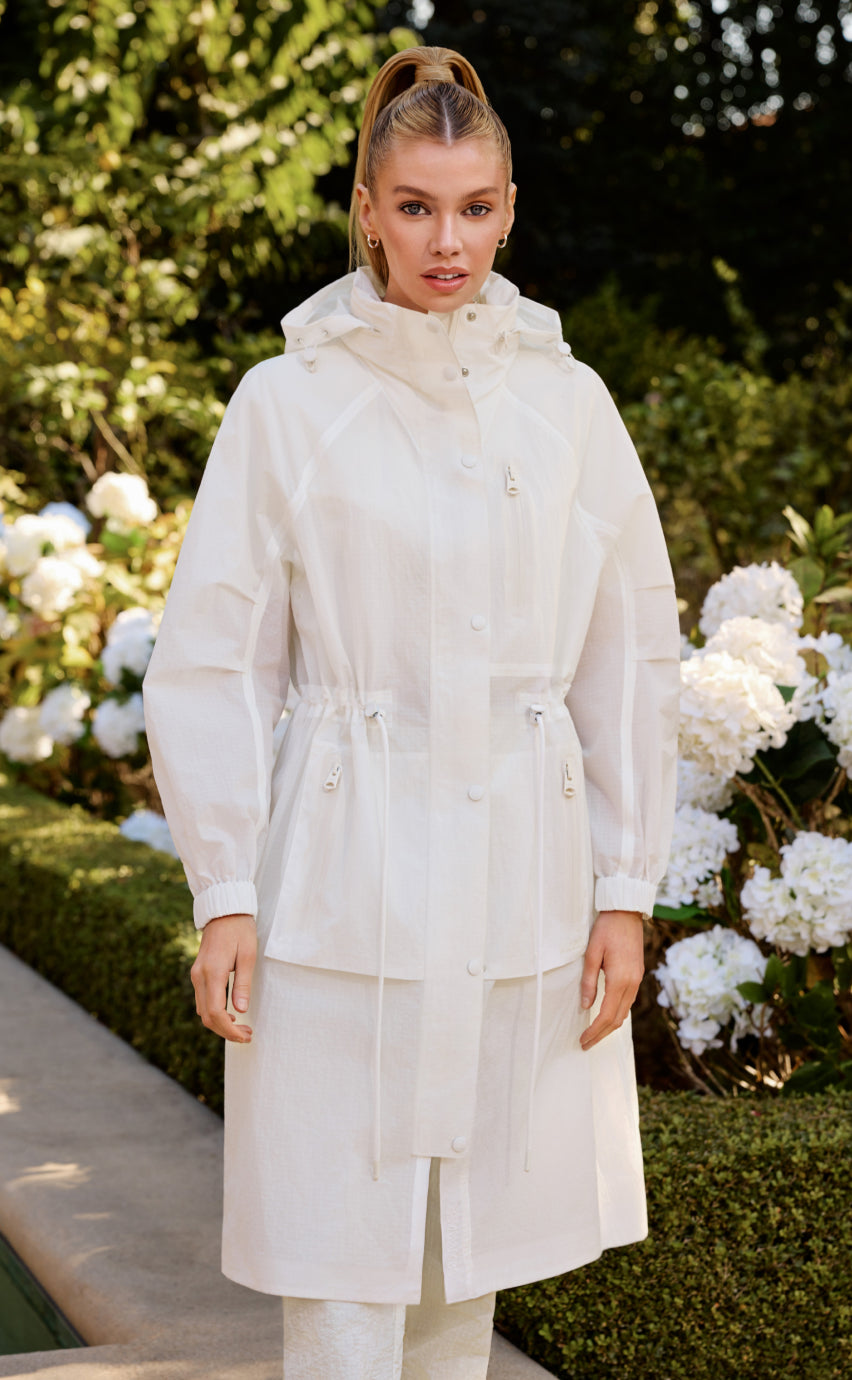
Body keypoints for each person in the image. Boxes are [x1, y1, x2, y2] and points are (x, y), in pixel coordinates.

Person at [142, 44, 680, 1380]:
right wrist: (225, 890)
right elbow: (215, 657)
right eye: (419, 207)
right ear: (368, 210)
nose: (450, 242)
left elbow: (629, 651)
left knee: (469, 1259)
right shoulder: (290, 402)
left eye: (477, 207)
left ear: (511, 209)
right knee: (341, 1254)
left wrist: (625, 888)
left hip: (521, 875)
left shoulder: (566, 403)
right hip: (343, 874)